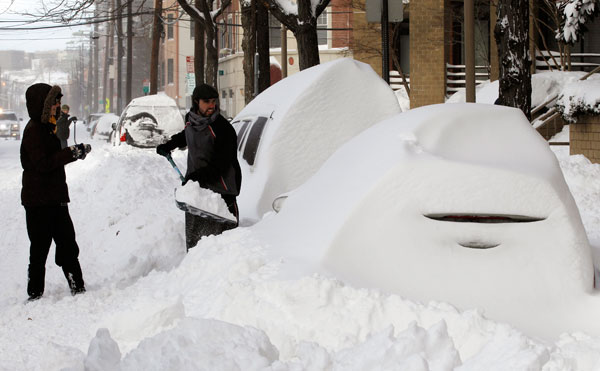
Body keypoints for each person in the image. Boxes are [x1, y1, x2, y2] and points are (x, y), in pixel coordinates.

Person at [21, 83, 92, 301]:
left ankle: (77, 286)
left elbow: (55, 156)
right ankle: (34, 293)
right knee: (40, 248)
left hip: (55, 198)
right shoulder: (34, 130)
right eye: (54, 102)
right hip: (38, 201)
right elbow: (43, 164)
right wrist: (70, 153)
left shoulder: (49, 127)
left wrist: (74, 151)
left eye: (59, 101)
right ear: (43, 105)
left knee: (67, 243)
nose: (58, 106)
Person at [156, 84, 242, 251]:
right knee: (196, 239)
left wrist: (196, 177)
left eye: (214, 101)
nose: (212, 105)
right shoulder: (191, 119)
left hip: (222, 191)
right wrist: (170, 145)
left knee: (226, 244)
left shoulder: (223, 129)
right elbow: (187, 134)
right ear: (196, 102)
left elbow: (221, 164)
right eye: (207, 101)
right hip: (198, 186)